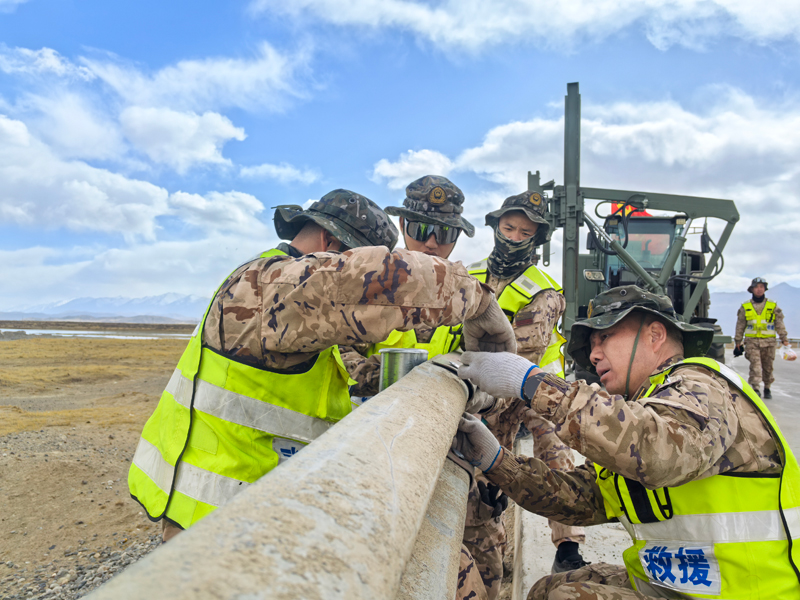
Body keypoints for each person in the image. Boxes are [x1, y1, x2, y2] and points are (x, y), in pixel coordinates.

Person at [127, 189, 516, 543]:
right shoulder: (269, 288)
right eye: (358, 255)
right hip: (217, 524)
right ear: (330, 244)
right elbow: (374, 280)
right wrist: (479, 301)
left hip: (256, 515)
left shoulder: (289, 310)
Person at [455, 285, 800, 600]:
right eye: (591, 346)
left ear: (655, 334)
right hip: (681, 585)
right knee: (550, 589)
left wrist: (530, 383)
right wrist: (497, 460)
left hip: (750, 592)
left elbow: (660, 452)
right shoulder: (646, 408)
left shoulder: (701, 384)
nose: (593, 355)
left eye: (604, 337)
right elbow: (582, 498)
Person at [461, 189, 587, 599]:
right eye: (508, 227)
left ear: (536, 239)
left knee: (553, 443)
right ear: (497, 227)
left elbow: (520, 355)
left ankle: (567, 544)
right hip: (478, 377)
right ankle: (497, 541)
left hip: (532, 381)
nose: (513, 237)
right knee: (488, 458)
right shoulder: (469, 273)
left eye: (524, 232)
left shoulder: (544, 290)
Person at [341, 175, 476, 397]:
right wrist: (388, 377)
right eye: (422, 229)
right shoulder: (369, 278)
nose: (432, 243)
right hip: (367, 421)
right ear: (403, 225)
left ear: (457, 236)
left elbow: (478, 360)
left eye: (444, 233)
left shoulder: (470, 295)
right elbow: (337, 354)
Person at [733, 277, 791, 399]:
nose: (759, 289)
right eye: (756, 287)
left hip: (769, 343)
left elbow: (779, 323)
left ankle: (767, 387)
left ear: (764, 289)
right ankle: (756, 389)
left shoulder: (772, 306)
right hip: (752, 343)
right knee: (755, 366)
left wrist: (784, 339)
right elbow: (740, 325)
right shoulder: (745, 307)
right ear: (752, 289)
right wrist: (738, 341)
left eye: (761, 287)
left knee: (768, 367)